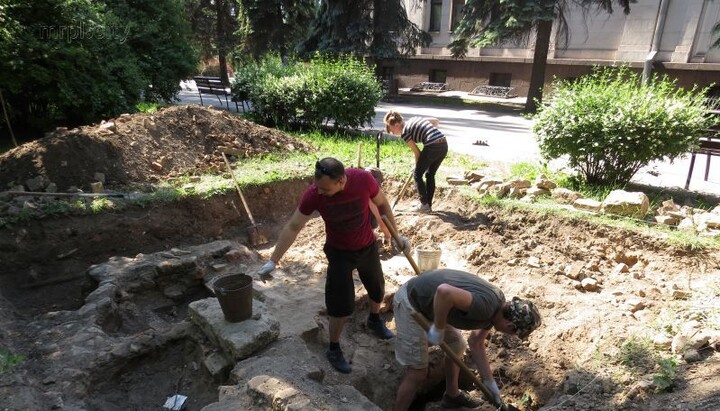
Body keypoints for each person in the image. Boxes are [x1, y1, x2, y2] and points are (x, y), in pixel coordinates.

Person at [257, 157, 409, 374]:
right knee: (340, 305)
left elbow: (382, 204)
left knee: (377, 288)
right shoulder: (314, 194)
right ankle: (334, 348)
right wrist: (274, 259)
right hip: (339, 253)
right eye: (318, 187)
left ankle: (374, 320)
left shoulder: (363, 180)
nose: (320, 192)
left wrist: (395, 233)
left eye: (325, 189)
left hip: (367, 246)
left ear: (341, 181)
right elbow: (293, 226)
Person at [392, 269, 541, 410]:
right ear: (510, 326)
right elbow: (444, 292)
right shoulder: (484, 308)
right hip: (411, 303)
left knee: (457, 345)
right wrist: (438, 328)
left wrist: (490, 383)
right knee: (418, 372)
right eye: (513, 333)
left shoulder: (496, 309)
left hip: (431, 305)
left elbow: (476, 342)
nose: (509, 335)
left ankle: (452, 396)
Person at [384, 111, 449, 213]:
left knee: (417, 175)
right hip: (443, 144)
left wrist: (417, 167)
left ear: (396, 125)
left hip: (432, 145)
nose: (393, 133)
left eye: (392, 130)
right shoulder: (413, 119)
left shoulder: (404, 133)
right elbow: (436, 121)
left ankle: (424, 204)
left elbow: (417, 152)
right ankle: (427, 205)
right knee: (430, 174)